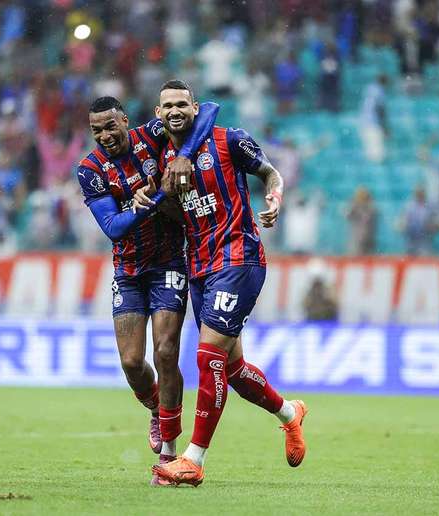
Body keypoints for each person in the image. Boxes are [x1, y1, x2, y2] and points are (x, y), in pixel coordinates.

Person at [135, 80, 307, 487]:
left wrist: (274, 198)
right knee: (232, 370)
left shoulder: (229, 141)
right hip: (199, 267)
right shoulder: (163, 158)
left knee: (207, 356)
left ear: (194, 108)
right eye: (167, 106)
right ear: (159, 114)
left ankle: (193, 461)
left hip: (239, 258)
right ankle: (290, 413)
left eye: (182, 104)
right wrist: (151, 199)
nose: (175, 111)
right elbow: (176, 210)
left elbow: (270, 173)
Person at [76, 95, 219, 486]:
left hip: (169, 263)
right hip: (128, 271)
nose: (105, 135)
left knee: (166, 352)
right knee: (131, 363)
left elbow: (209, 110)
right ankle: (157, 408)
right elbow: (112, 227)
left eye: (110, 126)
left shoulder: (152, 133)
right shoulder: (90, 170)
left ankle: (169, 453)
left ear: (125, 120)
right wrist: (148, 201)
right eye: (97, 131)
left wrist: (182, 157)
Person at [347, 186, 377, 255]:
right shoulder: (354, 208)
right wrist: (353, 204)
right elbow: (347, 214)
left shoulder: (372, 209)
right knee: (355, 256)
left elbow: (371, 217)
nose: (362, 199)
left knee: (368, 257)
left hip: (369, 240)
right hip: (356, 241)